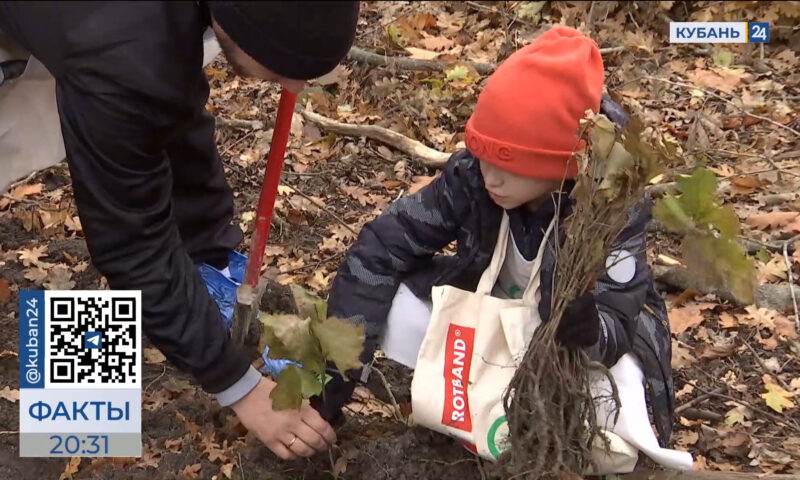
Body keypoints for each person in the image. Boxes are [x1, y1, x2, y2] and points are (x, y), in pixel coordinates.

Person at [0, 1, 359, 460]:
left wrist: (209, 251)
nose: (295, 87)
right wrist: (240, 388)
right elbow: (132, 246)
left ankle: (77, 451)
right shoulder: (120, 48)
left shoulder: (154, 39)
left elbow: (171, 113)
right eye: (287, 68)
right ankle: (69, 446)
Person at [323, 26, 677, 455]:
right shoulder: (474, 175)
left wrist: (582, 326)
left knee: (611, 387)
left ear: (567, 163)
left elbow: (616, 319)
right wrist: (335, 380)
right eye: (484, 158)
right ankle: (468, 415)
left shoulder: (610, 206)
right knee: (395, 308)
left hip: (570, 348)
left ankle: (557, 439)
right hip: (493, 312)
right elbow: (383, 247)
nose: (492, 177)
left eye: (512, 166)